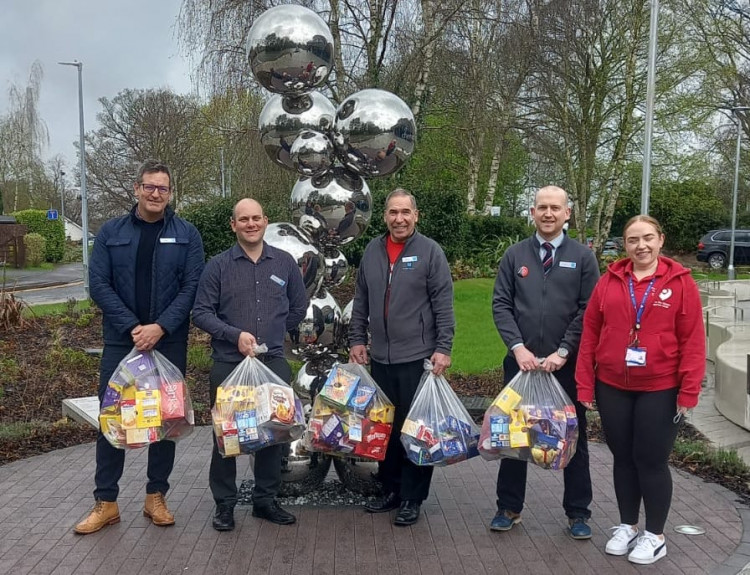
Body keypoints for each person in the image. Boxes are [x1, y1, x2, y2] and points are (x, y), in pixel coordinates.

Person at [75, 160, 205, 534]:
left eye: (163, 188)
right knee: (113, 418)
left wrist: (160, 327)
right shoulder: (111, 232)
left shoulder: (187, 234)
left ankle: (156, 497)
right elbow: (99, 284)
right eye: (149, 187)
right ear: (136, 188)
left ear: (170, 193)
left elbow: (191, 287)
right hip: (122, 341)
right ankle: (106, 502)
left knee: (165, 420)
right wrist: (134, 328)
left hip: (168, 342)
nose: (155, 194)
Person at [576, 215, 705, 565]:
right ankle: (627, 526)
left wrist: (689, 390)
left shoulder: (680, 283)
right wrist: (585, 382)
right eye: (633, 240)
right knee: (623, 459)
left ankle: (655, 535)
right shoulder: (610, 281)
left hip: (660, 388)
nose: (641, 246)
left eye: (648, 238)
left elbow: (693, 339)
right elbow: (590, 335)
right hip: (613, 385)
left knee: (651, 460)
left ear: (661, 240)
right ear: (625, 244)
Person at [490, 185, 599, 539]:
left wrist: (564, 351)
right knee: (512, 437)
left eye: (555, 208)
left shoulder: (583, 257)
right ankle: (508, 507)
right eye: (541, 208)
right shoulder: (515, 255)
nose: (548, 213)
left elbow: (589, 310)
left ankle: (578, 512)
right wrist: (518, 347)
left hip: (565, 366)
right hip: (520, 365)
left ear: (568, 213)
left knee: (572, 437)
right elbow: (501, 305)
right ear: (532, 213)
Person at [192, 198, 307, 531]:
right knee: (227, 436)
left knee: (275, 433)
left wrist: (272, 333)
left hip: (272, 363)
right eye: (244, 219)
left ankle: (265, 501)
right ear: (234, 225)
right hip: (229, 364)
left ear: (265, 221)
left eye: (256, 218)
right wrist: (234, 335)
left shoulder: (284, 263)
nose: (251, 224)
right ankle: (225, 505)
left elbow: (298, 308)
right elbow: (200, 312)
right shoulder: (218, 266)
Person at [349, 188, 454, 527]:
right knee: (387, 429)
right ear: (385, 217)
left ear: (416, 215)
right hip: (380, 358)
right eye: (393, 212)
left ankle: (412, 498)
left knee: (415, 431)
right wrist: (356, 340)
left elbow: (443, 305)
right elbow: (361, 300)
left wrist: (443, 348)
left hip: (418, 358)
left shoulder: (430, 252)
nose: (399, 219)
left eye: (405, 212)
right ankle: (391, 490)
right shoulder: (372, 251)